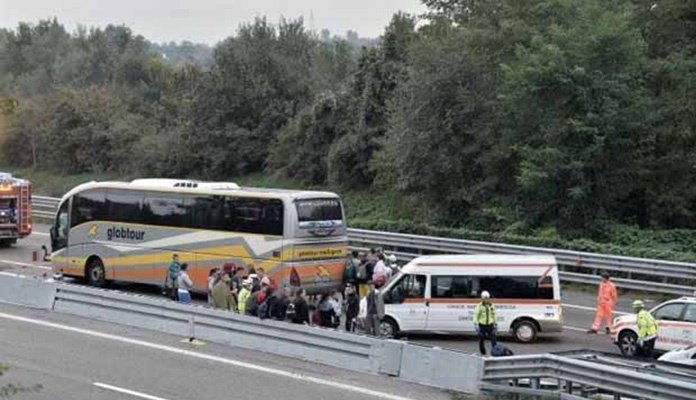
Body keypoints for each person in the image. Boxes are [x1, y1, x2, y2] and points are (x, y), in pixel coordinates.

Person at [475, 290, 498, 356]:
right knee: (481, 340)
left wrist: (495, 324)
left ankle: (495, 353)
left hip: (490, 325)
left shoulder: (491, 306)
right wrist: (476, 324)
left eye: (487, 298)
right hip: (482, 325)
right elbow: (476, 315)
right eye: (485, 298)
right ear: (482, 298)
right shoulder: (479, 306)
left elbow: (494, 315)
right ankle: (483, 353)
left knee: (494, 340)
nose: (486, 299)